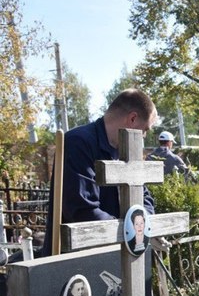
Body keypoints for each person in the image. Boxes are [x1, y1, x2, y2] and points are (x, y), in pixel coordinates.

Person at [42, 89, 158, 256]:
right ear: (132, 119)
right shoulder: (78, 143)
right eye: (145, 129)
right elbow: (82, 210)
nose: (144, 136)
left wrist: (143, 226)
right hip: (79, 261)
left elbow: (145, 197)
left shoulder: (128, 152)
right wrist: (130, 231)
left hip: (119, 254)